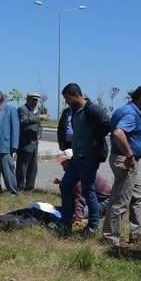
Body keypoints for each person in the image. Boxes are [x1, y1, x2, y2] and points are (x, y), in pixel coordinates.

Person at [102, 86, 141, 246]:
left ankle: (137, 235)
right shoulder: (131, 113)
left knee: (139, 196)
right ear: (140, 99)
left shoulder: (125, 110)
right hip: (125, 160)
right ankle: (111, 237)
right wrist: (129, 155)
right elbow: (118, 133)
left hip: (129, 161)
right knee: (120, 199)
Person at [56, 83, 111, 237]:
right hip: (76, 158)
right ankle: (66, 221)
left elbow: (107, 124)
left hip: (89, 159)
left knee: (88, 191)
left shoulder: (91, 109)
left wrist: (96, 138)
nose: (66, 101)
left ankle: (93, 225)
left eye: (68, 98)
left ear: (76, 95)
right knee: (65, 186)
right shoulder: (74, 111)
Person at [17, 92, 48, 191]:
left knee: (33, 167)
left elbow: (39, 126)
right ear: (27, 99)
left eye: (37, 100)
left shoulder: (36, 111)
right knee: (22, 166)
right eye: (33, 99)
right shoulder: (22, 109)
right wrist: (39, 117)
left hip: (34, 143)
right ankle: (20, 187)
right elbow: (23, 121)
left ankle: (30, 187)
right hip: (24, 143)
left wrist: (39, 133)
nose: (35, 102)